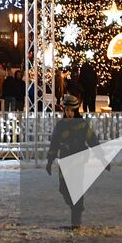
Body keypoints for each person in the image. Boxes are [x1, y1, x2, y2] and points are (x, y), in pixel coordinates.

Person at [45, 94, 99, 229]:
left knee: (77, 189)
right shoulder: (61, 126)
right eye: (66, 110)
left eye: (70, 110)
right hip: (65, 161)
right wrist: (50, 160)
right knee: (63, 188)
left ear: (75, 110)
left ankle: (76, 217)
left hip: (79, 161)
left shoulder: (82, 125)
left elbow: (93, 141)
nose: (68, 113)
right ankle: (76, 207)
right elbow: (54, 144)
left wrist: (102, 158)